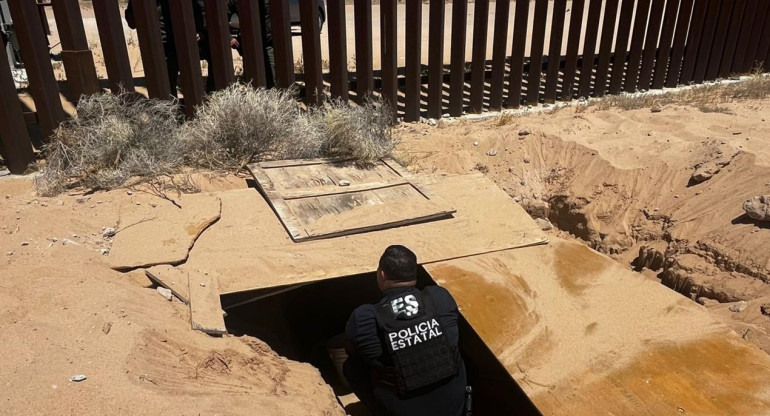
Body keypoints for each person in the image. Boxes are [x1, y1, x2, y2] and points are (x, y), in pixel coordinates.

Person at [344, 245, 467, 416]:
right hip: (453, 404)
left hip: (403, 409)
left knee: (352, 366)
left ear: (382, 275)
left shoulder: (365, 316)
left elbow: (352, 350)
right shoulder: (439, 296)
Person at [124, 0, 213, 97]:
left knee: (214, 55)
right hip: (162, 44)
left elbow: (200, 8)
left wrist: (200, 31)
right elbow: (132, 22)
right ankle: (171, 106)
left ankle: (211, 98)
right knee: (166, 81)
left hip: (185, 40)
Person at [226, 0, 276, 88]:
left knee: (271, 76)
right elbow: (224, 14)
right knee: (252, 77)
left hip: (268, 42)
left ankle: (269, 97)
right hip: (249, 43)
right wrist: (229, 37)